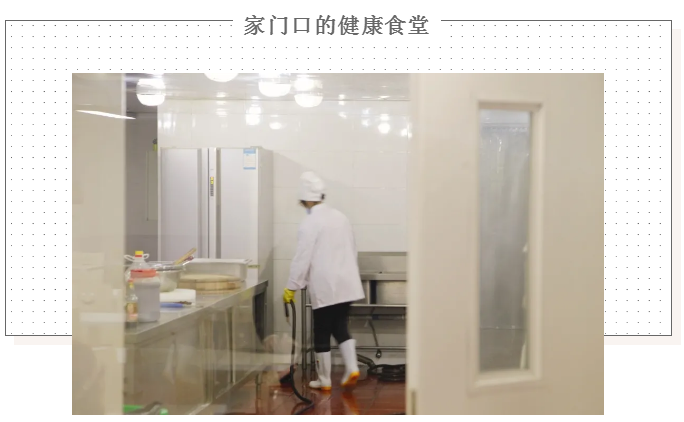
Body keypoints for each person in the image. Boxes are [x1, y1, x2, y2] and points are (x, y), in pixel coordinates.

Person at [283, 171, 365, 391]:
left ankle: (324, 379)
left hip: (326, 285)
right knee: (340, 325)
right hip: (347, 282)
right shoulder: (340, 217)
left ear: (306, 199)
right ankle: (352, 367)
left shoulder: (310, 222)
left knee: (321, 329)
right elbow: (352, 249)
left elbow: (302, 258)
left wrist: (292, 286)